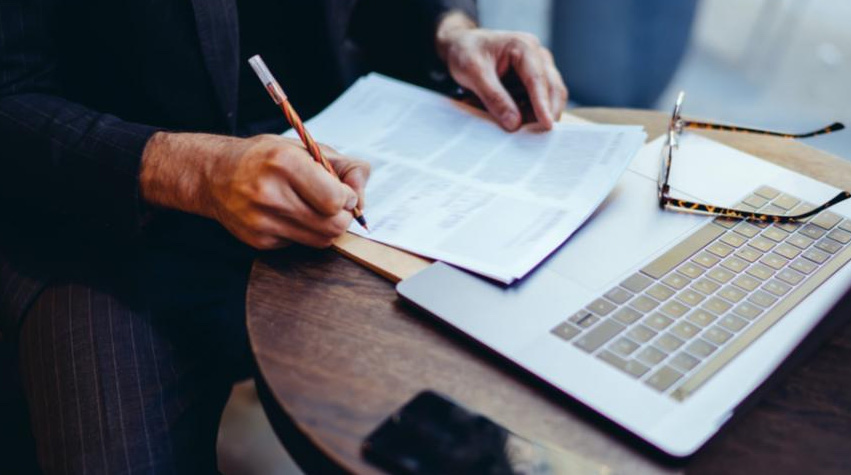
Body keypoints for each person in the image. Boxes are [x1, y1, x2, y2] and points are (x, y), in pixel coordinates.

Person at [0, 0, 568, 473]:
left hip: (340, 173)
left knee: (482, 429)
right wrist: (195, 172)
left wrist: (452, 31)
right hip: (110, 218)